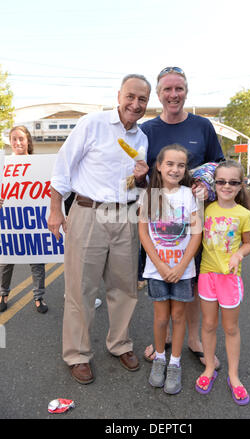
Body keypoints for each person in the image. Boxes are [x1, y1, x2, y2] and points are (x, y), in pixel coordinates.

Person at [47, 74, 151, 384]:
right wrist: (55, 209)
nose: (135, 104)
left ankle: (119, 343)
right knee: (81, 289)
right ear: (119, 94)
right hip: (88, 213)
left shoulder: (142, 138)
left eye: (142, 99)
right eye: (131, 96)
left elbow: (135, 183)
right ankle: (77, 354)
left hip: (126, 216)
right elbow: (63, 166)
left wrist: (143, 180)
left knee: (124, 288)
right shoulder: (92, 124)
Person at [140, 66, 224, 367]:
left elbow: (219, 164)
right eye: (167, 89)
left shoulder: (203, 126)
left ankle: (192, 338)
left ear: (186, 91)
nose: (173, 94)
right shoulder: (147, 130)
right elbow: (140, 174)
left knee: (191, 278)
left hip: (194, 217)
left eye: (179, 89)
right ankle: (161, 340)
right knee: (160, 276)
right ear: (159, 94)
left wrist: (208, 183)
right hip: (158, 219)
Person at [138, 144, 202, 394]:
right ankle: (160, 358)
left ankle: (175, 362)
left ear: (186, 169)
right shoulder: (150, 195)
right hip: (157, 270)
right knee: (161, 317)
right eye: (170, 164)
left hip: (182, 271)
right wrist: (161, 265)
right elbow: (143, 231)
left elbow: (197, 233)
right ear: (159, 166)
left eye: (181, 165)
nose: (175, 169)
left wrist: (183, 265)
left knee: (178, 317)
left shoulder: (189, 195)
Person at [195, 160, 250, 405]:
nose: (226, 186)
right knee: (208, 325)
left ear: (241, 185)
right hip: (206, 275)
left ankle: (233, 375)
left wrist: (239, 254)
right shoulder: (206, 209)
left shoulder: (243, 214)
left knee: (230, 328)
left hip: (230, 279)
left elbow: (249, 243)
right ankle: (209, 368)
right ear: (215, 183)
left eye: (233, 182)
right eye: (221, 181)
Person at [0, 126, 48, 314]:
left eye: (21, 138)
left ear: (28, 140)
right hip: (9, 220)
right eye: (14, 139)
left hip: (33, 219)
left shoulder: (40, 164)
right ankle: (3, 294)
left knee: (37, 261)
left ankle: (39, 297)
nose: (18, 143)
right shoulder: (4, 165)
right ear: (10, 142)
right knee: (5, 261)